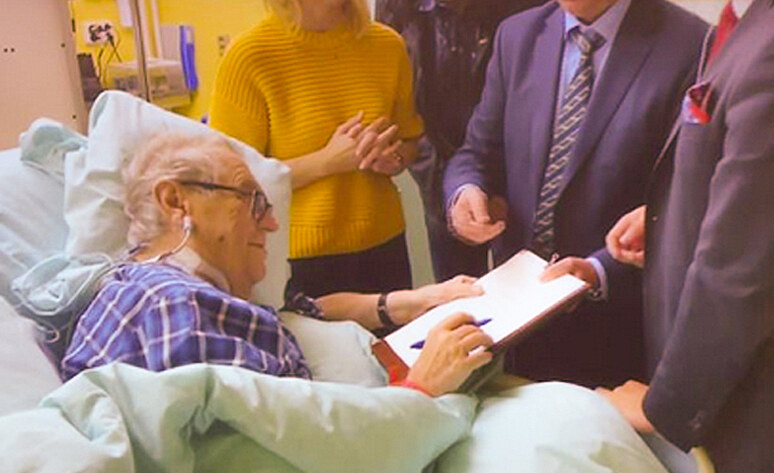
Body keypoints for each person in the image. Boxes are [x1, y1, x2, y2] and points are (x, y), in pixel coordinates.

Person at [60, 132, 493, 398]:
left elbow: (307, 310)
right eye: (252, 201)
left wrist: (420, 300)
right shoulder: (175, 305)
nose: (270, 223)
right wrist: (421, 390)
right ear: (176, 201)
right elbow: (269, 463)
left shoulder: (150, 290)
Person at [595, 0, 774, 473]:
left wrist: (665, 408)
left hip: (762, 425)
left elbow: (743, 271)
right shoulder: (753, 20)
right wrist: (672, 215)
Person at [442, 0, 708, 387]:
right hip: (516, 312)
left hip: (617, 322)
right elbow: (477, 151)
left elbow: (689, 193)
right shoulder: (517, 34)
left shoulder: (690, 44)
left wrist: (599, 271)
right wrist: (465, 192)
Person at [208, 0, 423, 298]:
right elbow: (226, 181)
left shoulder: (388, 46)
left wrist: (393, 158)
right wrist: (326, 162)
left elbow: (410, 142)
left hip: (384, 247)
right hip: (294, 260)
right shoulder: (249, 57)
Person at [375, 0, 544, 282]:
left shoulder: (526, 11)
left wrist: (501, 189)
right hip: (438, 177)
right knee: (459, 294)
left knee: (530, 288)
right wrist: (451, 195)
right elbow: (400, 111)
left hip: (520, 182)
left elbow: (541, 102)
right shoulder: (397, 7)